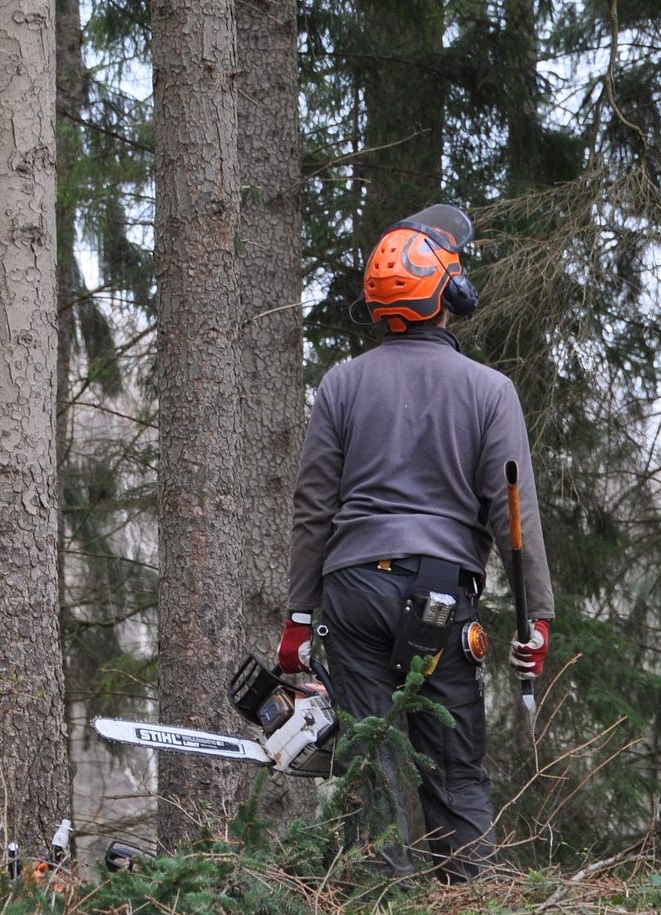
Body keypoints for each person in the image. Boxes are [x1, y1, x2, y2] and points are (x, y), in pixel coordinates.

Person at [277, 204, 556, 883]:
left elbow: (315, 506)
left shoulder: (341, 383)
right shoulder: (490, 391)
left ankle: (379, 897)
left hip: (352, 592)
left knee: (368, 770)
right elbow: (514, 515)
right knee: (455, 770)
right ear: (448, 294)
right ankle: (471, 894)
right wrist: (536, 618)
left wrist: (298, 617)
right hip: (439, 596)